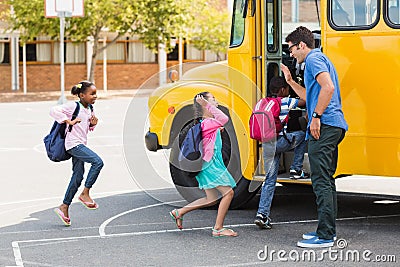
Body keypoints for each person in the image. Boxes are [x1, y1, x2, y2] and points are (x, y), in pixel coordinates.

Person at [280, 26, 348, 248]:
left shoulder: (312, 59)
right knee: (326, 180)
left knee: (320, 181)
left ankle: (326, 236)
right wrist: (290, 81)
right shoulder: (318, 59)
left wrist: (316, 117)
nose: (290, 54)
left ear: (301, 45)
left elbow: (327, 88)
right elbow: (311, 95)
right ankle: (326, 230)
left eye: (291, 49)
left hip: (326, 125)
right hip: (333, 125)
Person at [169, 92, 238, 237]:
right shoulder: (208, 122)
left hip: (210, 165)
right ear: (205, 105)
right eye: (213, 99)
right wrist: (206, 105)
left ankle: (179, 212)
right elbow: (224, 118)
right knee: (228, 193)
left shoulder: (208, 123)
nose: (216, 101)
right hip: (210, 166)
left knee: (211, 198)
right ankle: (218, 228)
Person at [254, 76, 309, 230]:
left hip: (267, 145)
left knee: (269, 181)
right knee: (303, 134)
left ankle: (262, 215)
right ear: (284, 89)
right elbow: (305, 100)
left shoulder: (262, 102)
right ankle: (296, 169)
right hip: (279, 143)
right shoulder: (284, 100)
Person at [50, 81, 104, 226]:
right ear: (81, 95)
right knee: (98, 162)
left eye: (95, 93)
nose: (95, 96)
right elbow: (54, 110)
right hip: (73, 145)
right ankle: (85, 194)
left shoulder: (90, 108)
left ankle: (64, 207)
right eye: (92, 94)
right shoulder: (74, 106)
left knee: (77, 176)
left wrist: (93, 124)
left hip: (80, 144)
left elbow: (86, 128)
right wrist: (68, 120)